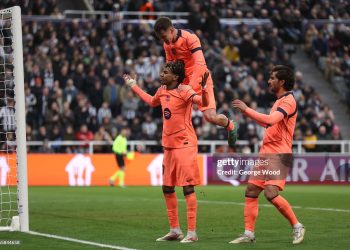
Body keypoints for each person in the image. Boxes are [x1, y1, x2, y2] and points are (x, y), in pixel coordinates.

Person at [123, 60, 209, 243]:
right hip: (168, 145)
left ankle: (192, 233)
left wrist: (205, 89)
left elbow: (202, 102)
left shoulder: (184, 90)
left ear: (175, 77)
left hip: (185, 144)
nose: (161, 74)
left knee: (187, 187)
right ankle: (175, 230)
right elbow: (151, 101)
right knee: (167, 187)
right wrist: (134, 86)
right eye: (162, 71)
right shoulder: (162, 90)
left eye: (165, 72)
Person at [231, 65, 305, 244]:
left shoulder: (288, 101)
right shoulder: (279, 101)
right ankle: (249, 234)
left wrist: (247, 110)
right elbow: (270, 124)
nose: (269, 81)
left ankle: (297, 226)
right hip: (266, 152)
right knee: (251, 190)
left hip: (279, 153)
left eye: (272, 78)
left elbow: (271, 120)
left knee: (270, 193)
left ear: (282, 81)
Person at [154, 16, 237, 147]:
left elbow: (200, 63)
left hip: (201, 79)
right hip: (184, 83)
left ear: (171, 29)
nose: (164, 41)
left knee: (210, 117)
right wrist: (167, 83)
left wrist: (190, 87)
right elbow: (170, 66)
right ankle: (179, 144)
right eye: (161, 39)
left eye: (164, 37)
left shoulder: (190, 37)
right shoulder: (167, 44)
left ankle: (230, 125)